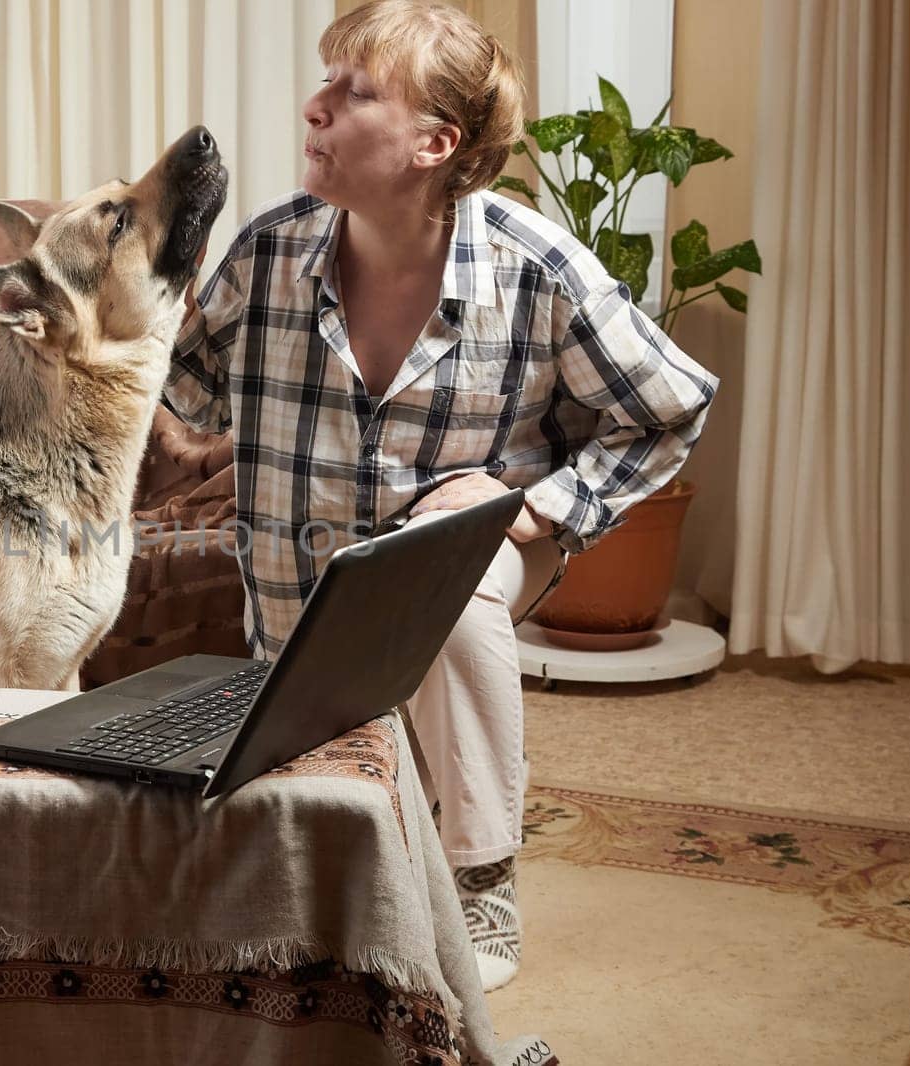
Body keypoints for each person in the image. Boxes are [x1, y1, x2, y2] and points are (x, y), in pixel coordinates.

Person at [163, 0, 717, 991]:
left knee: (448, 570)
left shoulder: (536, 267)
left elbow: (669, 409)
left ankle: (480, 873)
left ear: (433, 142)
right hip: (298, 594)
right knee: (284, 930)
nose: (315, 104)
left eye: (353, 90)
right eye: (325, 79)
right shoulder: (267, 255)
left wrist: (536, 507)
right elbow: (178, 396)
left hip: (479, 552)